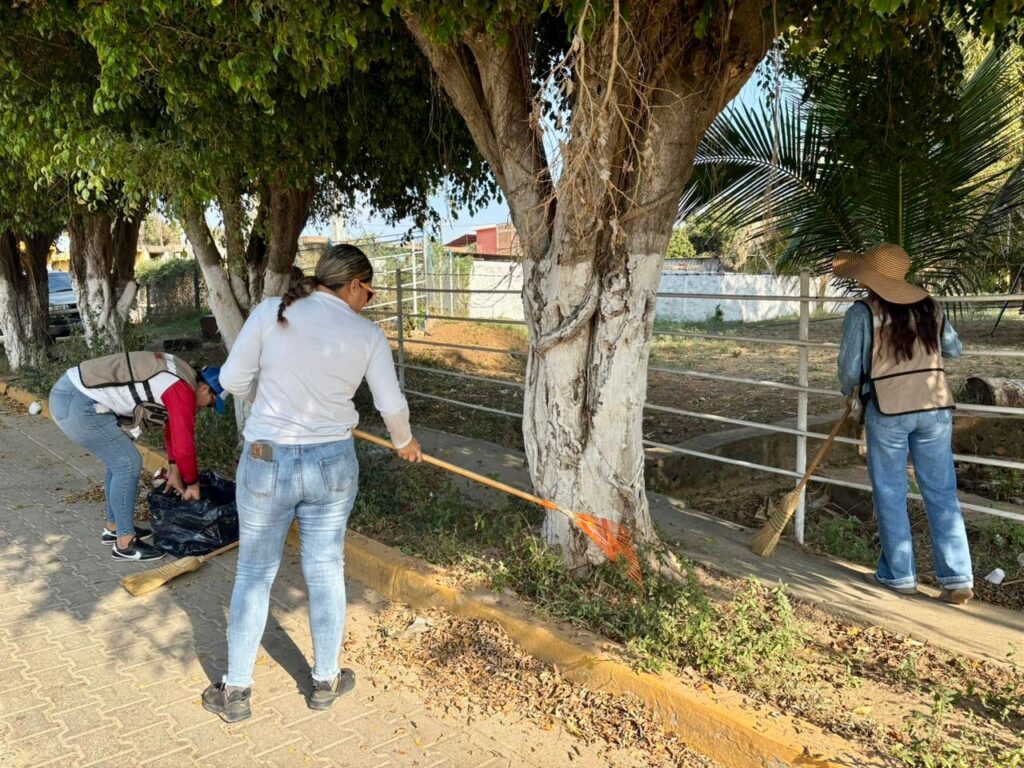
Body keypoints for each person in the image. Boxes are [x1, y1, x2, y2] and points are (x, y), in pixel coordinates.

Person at [204, 243, 422, 723]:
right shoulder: (366, 334)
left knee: (254, 573)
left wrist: (269, 396)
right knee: (324, 569)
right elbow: (391, 404)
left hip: (266, 459)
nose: (370, 301)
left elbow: (233, 380)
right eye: (370, 292)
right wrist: (404, 441)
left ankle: (236, 690)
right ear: (355, 285)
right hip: (331, 464)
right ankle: (325, 680)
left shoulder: (271, 312)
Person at [834, 243, 974, 606]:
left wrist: (850, 393)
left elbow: (849, 369)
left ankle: (900, 575)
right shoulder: (931, 306)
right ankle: (957, 576)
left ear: (870, 279)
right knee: (942, 491)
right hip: (935, 407)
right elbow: (954, 350)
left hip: (889, 409)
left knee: (890, 490)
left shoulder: (863, 312)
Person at [49, 352, 226, 561]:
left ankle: (114, 527)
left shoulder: (182, 375)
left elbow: (173, 428)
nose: (206, 408)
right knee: (127, 463)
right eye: (211, 402)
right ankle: (125, 544)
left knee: (118, 462)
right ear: (204, 388)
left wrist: (174, 469)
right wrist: (193, 484)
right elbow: (184, 447)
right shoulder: (181, 390)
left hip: (72, 394)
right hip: (77, 402)